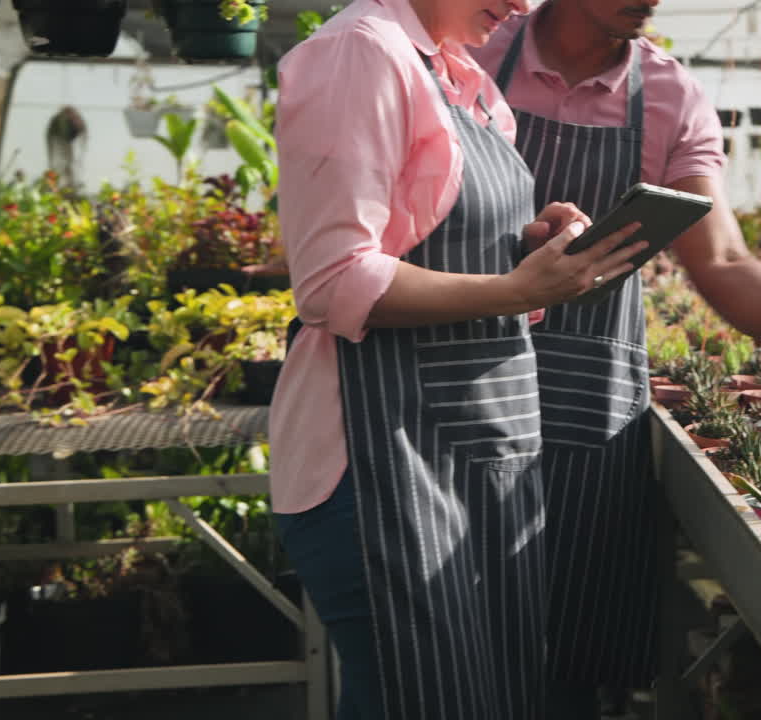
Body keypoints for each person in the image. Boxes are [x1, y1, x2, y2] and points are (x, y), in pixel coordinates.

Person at [467, 0, 761, 715]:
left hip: (583, 411)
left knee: (570, 670)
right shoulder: (475, 49)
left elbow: (724, 259)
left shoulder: (670, 96)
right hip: (460, 386)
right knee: (450, 645)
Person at [266, 1, 647, 719]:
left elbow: (441, 248)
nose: (523, 6)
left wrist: (533, 249)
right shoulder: (359, 53)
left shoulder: (453, 72)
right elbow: (331, 281)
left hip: (468, 459)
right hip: (380, 468)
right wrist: (512, 288)